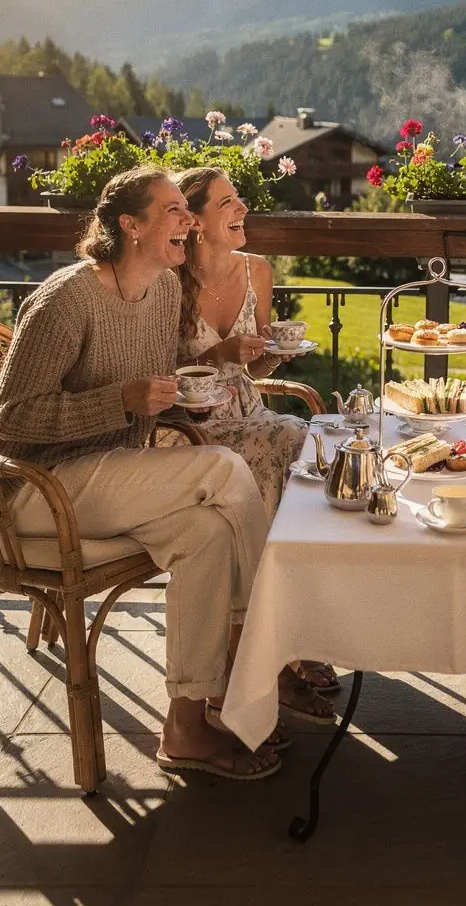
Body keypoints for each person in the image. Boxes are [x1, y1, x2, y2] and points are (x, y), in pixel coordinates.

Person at [0, 167, 277, 781]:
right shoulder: (67, 298)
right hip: (32, 491)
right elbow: (11, 418)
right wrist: (121, 401)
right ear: (131, 225)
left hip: (108, 477)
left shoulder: (162, 294)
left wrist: (195, 382)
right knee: (224, 468)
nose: (189, 221)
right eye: (174, 210)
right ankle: (266, 647)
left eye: (187, 210)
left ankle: (185, 727)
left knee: (205, 533)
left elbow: (159, 382)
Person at [173, 166, 337, 722]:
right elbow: (155, 373)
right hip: (190, 427)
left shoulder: (257, 270)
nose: (242, 210)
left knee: (310, 449)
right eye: (227, 203)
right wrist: (219, 357)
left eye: (240, 200)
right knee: (283, 440)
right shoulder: (171, 279)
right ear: (193, 221)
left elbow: (257, 361)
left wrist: (271, 353)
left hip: (247, 410)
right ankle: (271, 652)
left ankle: (291, 631)